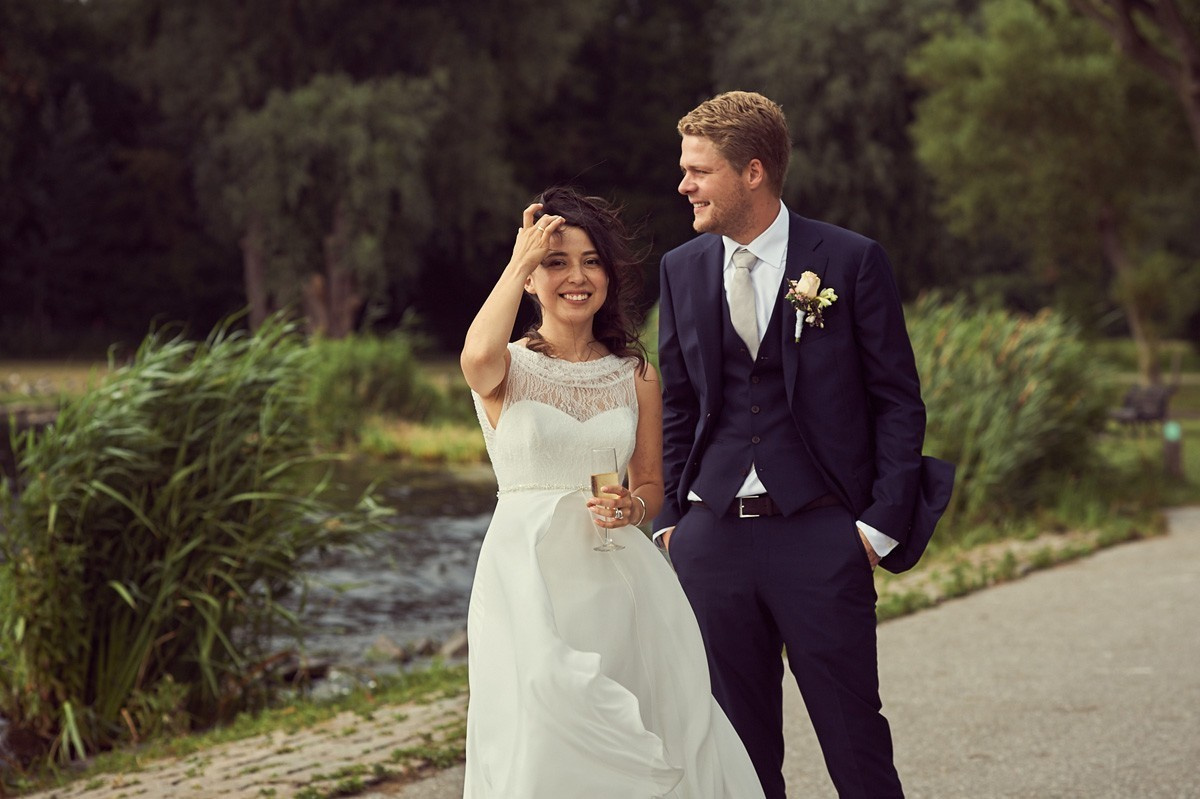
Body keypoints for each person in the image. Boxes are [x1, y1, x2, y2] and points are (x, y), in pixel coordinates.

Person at [655, 91, 952, 798]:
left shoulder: (850, 261)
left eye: (699, 170)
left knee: (855, 742)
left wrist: (876, 526)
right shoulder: (683, 268)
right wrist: (671, 520)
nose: (683, 185)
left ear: (752, 172)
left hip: (822, 534)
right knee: (739, 755)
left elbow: (897, 401)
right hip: (713, 540)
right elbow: (678, 401)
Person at [459, 186, 766, 798]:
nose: (577, 276)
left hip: (619, 579)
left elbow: (651, 483)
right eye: (557, 261)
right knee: (544, 723)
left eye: (591, 260)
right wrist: (521, 256)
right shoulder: (505, 368)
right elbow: (476, 352)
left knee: (647, 720)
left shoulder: (634, 373)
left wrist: (633, 506)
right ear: (529, 279)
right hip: (528, 581)